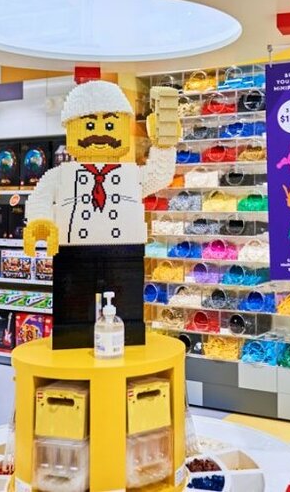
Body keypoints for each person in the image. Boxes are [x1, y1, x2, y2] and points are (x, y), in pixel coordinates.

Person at [24, 81, 180, 349]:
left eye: (109, 126)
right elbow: (39, 197)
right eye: (88, 125)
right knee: (72, 299)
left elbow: (159, 175)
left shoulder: (132, 173)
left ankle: (127, 333)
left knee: (126, 298)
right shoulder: (60, 174)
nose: (99, 134)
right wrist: (41, 221)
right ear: (70, 129)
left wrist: (163, 145)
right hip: (72, 250)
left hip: (125, 249)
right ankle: (71, 335)